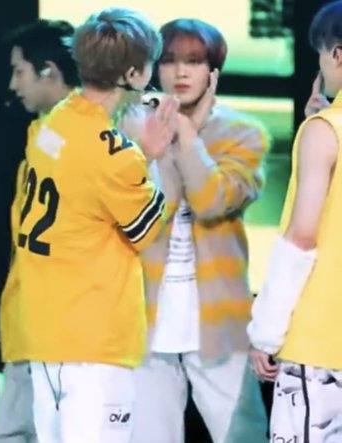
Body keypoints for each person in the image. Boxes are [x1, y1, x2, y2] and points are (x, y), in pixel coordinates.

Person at [7, 8, 180, 443]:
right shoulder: (115, 155)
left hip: (44, 334)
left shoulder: (53, 122)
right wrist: (152, 156)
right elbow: (148, 232)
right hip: (94, 342)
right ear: (135, 73)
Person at [128, 18, 270, 443]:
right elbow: (151, 212)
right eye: (169, 60)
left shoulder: (243, 133)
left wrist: (187, 134)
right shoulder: (131, 129)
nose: (180, 72)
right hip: (144, 314)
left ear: (213, 72)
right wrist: (159, 143)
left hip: (218, 318)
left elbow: (210, 200)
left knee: (242, 435)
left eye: (193, 61)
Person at [248, 1, 342, 442]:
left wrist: (265, 333)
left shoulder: (326, 131)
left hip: (320, 343)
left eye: (320, 55)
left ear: (337, 54)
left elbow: (301, 237)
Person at [0, 19, 79, 443]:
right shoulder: (42, 137)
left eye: (19, 71)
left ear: (48, 71)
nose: (12, 84)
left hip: (61, 328)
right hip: (34, 324)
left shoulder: (82, 139)